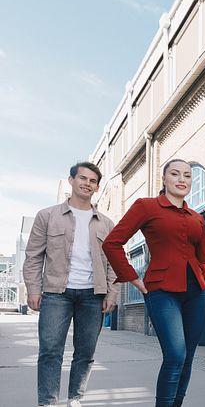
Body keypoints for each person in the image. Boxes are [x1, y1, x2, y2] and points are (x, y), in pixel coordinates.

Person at [102, 159, 205, 407]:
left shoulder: (196, 218)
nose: (182, 179)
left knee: (187, 358)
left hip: (196, 293)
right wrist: (133, 278)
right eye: (175, 174)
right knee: (175, 355)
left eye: (187, 176)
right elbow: (112, 243)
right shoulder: (146, 206)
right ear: (164, 179)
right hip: (161, 291)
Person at [23, 162, 119, 407]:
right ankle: (47, 402)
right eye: (83, 178)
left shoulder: (106, 223)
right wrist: (33, 289)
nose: (87, 183)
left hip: (93, 295)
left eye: (93, 181)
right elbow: (34, 255)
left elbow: (113, 263)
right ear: (71, 180)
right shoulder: (47, 215)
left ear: (97, 187)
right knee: (50, 351)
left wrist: (111, 293)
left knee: (85, 353)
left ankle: (75, 398)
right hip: (56, 294)